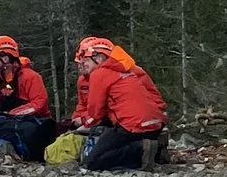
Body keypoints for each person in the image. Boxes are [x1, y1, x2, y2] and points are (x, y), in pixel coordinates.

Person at [70, 35, 168, 170]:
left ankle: (142, 150)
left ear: (98, 58)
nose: (82, 64)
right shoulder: (128, 70)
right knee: (110, 145)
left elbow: (95, 112)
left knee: (92, 163)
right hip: (154, 124)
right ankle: (152, 148)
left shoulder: (99, 74)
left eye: (85, 59)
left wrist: (82, 124)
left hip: (131, 126)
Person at [0, 35, 57, 160]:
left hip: (33, 125)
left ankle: (17, 151)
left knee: (29, 133)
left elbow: (40, 103)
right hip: (10, 124)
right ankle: (7, 148)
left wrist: (13, 114)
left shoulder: (30, 77)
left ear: (5, 58)